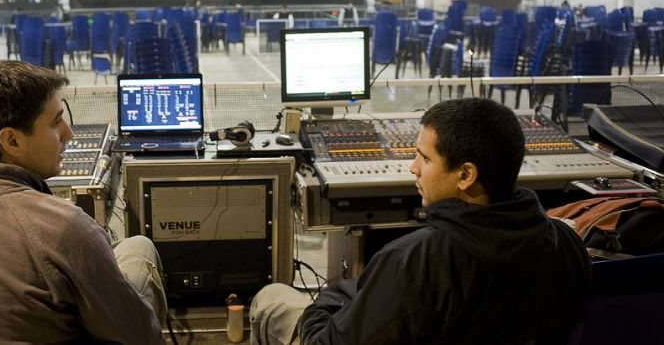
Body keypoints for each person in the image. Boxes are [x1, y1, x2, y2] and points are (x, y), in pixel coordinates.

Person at [251, 98, 592, 345]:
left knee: (272, 296)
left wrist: (322, 305)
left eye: (425, 158)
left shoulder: (413, 261)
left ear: (466, 175)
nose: (413, 168)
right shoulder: (566, 243)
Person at [0, 61, 167, 344]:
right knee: (139, 248)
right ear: (12, 141)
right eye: (56, 122)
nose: (69, 134)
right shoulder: (65, 227)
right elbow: (141, 335)